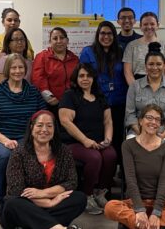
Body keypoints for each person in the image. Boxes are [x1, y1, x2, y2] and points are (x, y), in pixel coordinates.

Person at [104, 104, 165, 229]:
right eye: (149, 117)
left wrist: (157, 212)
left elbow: (164, 182)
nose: (153, 122)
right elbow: (130, 180)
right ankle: (154, 225)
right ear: (140, 121)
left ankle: (143, 225)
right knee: (110, 207)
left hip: (161, 204)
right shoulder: (128, 145)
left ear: (160, 124)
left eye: (157, 119)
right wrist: (139, 210)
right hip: (134, 203)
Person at [0, 53, 47, 214]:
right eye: (13, 67)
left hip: (24, 136)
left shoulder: (32, 91)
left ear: (25, 70)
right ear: (7, 70)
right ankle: (0, 198)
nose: (17, 71)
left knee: (32, 154)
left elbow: (43, 114)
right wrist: (5, 140)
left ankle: (26, 197)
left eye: (20, 67)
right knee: (5, 155)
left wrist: (35, 135)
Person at [0, 110, 86, 229]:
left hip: (50, 202)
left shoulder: (64, 151)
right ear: (31, 127)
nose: (44, 130)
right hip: (26, 205)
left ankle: (40, 225)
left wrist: (43, 193)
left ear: (54, 129)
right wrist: (48, 202)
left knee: (79, 198)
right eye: (39, 125)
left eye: (49, 126)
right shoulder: (19, 153)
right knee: (13, 203)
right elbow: (17, 190)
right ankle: (57, 227)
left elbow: (71, 182)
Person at [59, 64, 116, 215]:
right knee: (94, 157)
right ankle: (87, 195)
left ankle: (100, 193)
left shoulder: (100, 96)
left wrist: (108, 139)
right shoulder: (69, 96)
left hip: (97, 141)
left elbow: (108, 121)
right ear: (76, 78)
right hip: (74, 143)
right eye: (81, 76)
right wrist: (85, 140)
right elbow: (65, 121)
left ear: (93, 78)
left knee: (111, 155)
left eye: (88, 76)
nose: (85, 79)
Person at [125, 42, 165, 172]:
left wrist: (162, 135)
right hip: (138, 132)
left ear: (164, 66)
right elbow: (130, 115)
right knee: (133, 157)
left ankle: (160, 189)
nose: (154, 68)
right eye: (151, 64)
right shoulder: (135, 86)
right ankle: (139, 189)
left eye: (158, 64)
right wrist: (141, 134)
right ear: (145, 67)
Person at [80, 21, 128, 171]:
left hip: (119, 101)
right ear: (97, 35)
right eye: (102, 33)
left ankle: (116, 174)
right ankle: (100, 173)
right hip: (97, 102)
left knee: (118, 138)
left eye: (109, 33)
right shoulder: (88, 52)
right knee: (100, 137)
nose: (106, 36)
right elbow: (83, 77)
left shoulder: (121, 51)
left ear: (114, 35)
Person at [32, 27, 79, 114]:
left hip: (72, 103)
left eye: (62, 38)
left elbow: (78, 80)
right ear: (50, 42)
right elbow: (38, 79)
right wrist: (50, 98)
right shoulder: (42, 57)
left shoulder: (75, 59)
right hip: (49, 104)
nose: (59, 41)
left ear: (67, 40)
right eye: (55, 38)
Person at [123, 12, 165, 85]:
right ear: (140, 26)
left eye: (152, 24)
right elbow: (127, 72)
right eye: (145, 24)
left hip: (160, 84)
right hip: (138, 84)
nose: (149, 27)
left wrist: (162, 88)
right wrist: (135, 89)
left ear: (157, 25)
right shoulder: (131, 46)